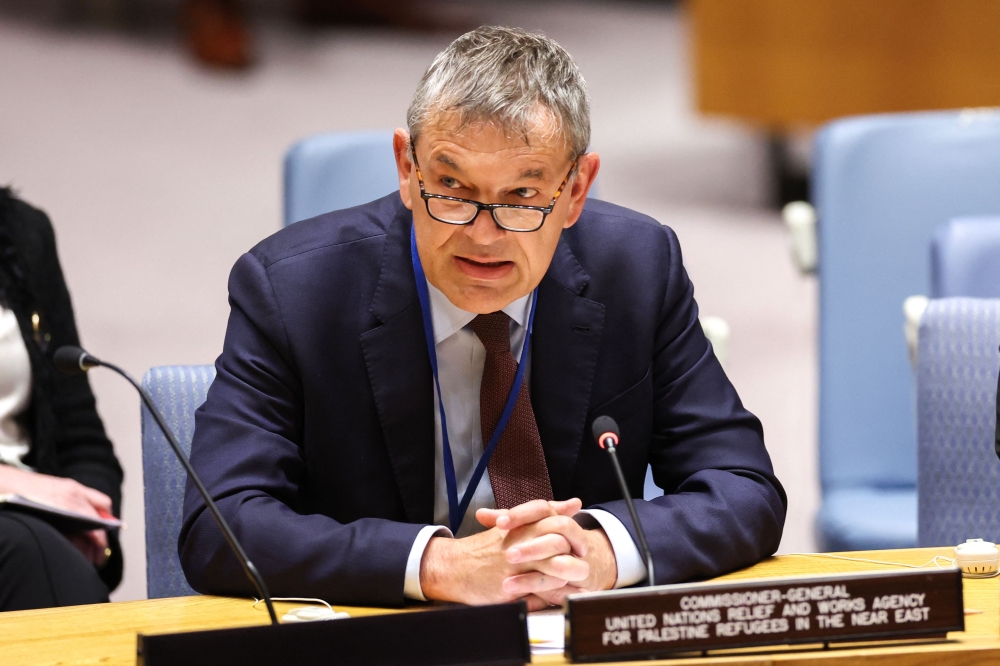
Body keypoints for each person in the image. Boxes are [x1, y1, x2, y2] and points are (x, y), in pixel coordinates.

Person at [179, 26, 786, 609]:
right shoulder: (293, 290)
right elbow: (220, 523)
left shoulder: (637, 268)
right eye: (452, 188)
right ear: (407, 170)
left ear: (576, 191)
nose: (483, 235)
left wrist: (601, 551)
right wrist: (437, 566)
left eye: (522, 197)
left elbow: (743, 486)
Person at [0, 188, 124, 611]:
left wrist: (88, 527)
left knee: (48, 558)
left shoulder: (20, 231)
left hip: (38, 518)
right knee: (28, 553)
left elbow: (81, 438)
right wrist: (11, 483)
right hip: (23, 531)